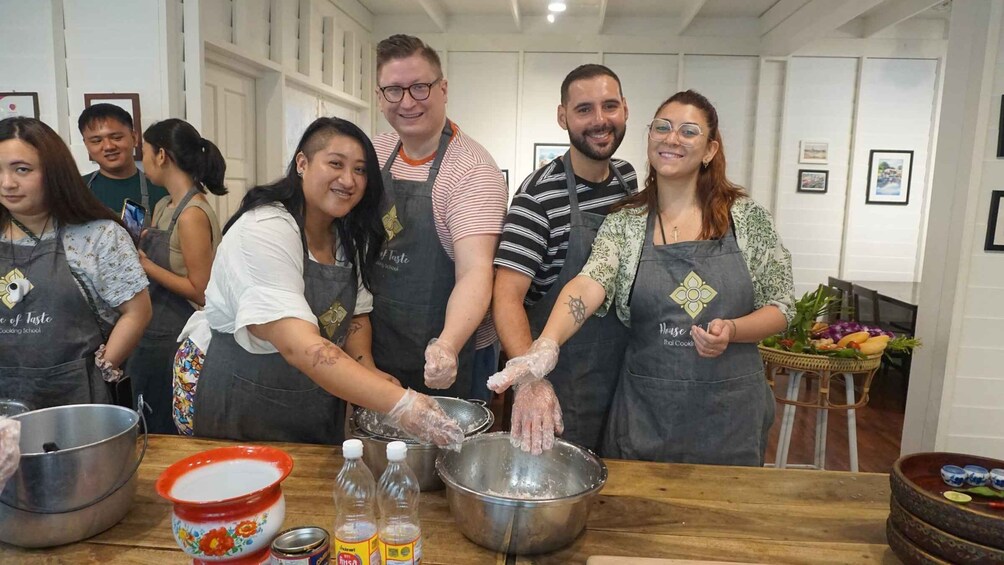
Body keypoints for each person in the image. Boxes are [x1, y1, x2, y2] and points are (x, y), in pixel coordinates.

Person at [489, 91, 795, 465]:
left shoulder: (747, 219)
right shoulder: (627, 222)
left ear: (711, 149)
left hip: (729, 413)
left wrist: (733, 330)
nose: (671, 138)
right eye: (662, 128)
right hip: (648, 414)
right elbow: (590, 282)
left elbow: (781, 306)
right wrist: (547, 345)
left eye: (688, 131)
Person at [174, 117, 463, 447]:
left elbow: (355, 314)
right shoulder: (265, 229)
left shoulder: (345, 233)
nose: (349, 180)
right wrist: (402, 404)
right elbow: (300, 345)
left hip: (307, 396)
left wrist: (365, 368)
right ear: (302, 163)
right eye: (336, 164)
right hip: (238, 391)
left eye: (360, 170)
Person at [493, 64, 637, 453]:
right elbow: (505, 298)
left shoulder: (630, 181)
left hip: (626, 379)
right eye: (584, 109)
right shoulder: (536, 198)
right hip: (563, 385)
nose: (600, 120)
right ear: (563, 117)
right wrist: (530, 381)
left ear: (625, 109)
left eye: (610, 106)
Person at [370, 34, 508, 400]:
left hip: (455, 346)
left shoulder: (472, 170)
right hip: (379, 339)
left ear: (443, 89)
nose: (408, 102)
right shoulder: (374, 153)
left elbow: (475, 272)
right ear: (380, 96)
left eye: (420, 87)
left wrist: (446, 346)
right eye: (394, 90)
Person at [0, 117, 152, 410]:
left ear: (54, 172)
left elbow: (137, 312)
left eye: (22, 169)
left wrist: (101, 371)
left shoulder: (96, 235)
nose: (7, 183)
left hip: (74, 400)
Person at [122, 119, 224, 434]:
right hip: (154, 330)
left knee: (164, 430)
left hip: (176, 337)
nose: (142, 161)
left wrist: (146, 264)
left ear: (162, 155)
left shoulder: (192, 214)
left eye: (145, 153)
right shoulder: (167, 204)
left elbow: (201, 290)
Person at [78, 104, 168, 218]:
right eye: (96, 141)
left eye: (116, 137)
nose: (108, 146)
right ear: (86, 144)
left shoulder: (161, 189)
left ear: (134, 138)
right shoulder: (75, 190)